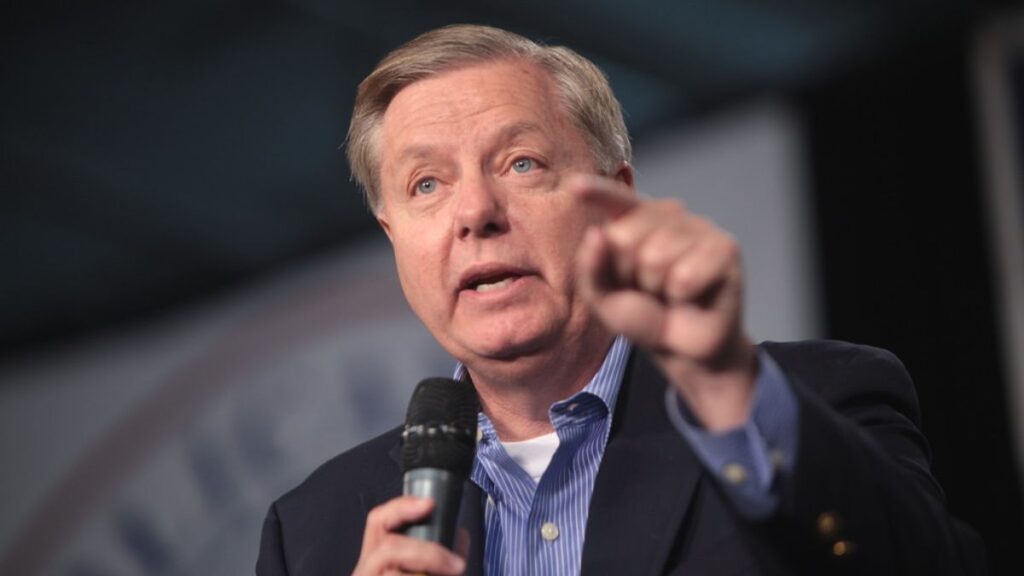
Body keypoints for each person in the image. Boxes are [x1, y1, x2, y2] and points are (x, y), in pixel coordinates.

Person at [256, 24, 984, 575]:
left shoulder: (810, 403)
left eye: (521, 163)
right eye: (426, 185)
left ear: (616, 201)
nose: (475, 211)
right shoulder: (312, 533)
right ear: (394, 238)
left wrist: (730, 390)